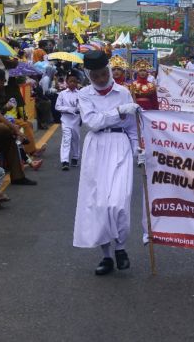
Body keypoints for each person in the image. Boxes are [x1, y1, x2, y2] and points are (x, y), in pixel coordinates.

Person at [73, 51, 139, 276]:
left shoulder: (124, 92)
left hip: (120, 146)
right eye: (95, 76)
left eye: (104, 74)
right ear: (89, 76)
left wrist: (138, 149)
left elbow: (131, 125)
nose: (101, 79)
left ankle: (120, 247)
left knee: (118, 202)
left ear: (109, 71)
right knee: (99, 204)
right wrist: (118, 112)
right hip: (96, 149)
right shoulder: (84, 94)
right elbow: (92, 122)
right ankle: (107, 256)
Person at [55, 73, 82, 171]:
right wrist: (69, 109)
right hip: (66, 119)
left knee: (76, 138)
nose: (73, 83)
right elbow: (57, 106)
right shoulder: (62, 94)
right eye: (71, 81)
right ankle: (65, 161)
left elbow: (82, 106)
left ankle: (75, 157)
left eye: (75, 81)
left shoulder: (80, 94)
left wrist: (79, 109)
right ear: (67, 82)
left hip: (76, 120)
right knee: (66, 139)